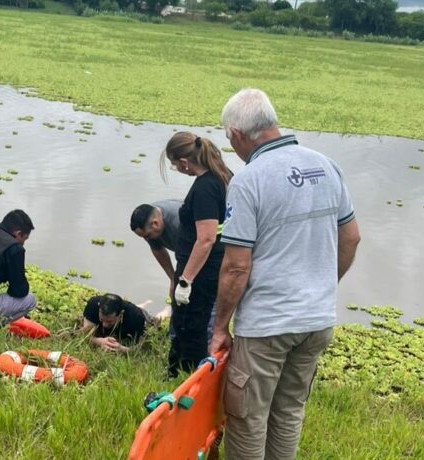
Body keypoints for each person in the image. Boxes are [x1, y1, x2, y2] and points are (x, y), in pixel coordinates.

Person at [210, 88, 361, 460]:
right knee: (289, 411)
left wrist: (219, 327)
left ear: (236, 134)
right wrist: (321, 287)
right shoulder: (326, 165)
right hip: (317, 321)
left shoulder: (250, 180)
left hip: (267, 326)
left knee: (247, 417)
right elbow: (352, 237)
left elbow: (235, 266)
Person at [162, 131, 233, 378]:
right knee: (196, 322)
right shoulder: (223, 177)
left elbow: (206, 238)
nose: (176, 168)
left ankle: (186, 377)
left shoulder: (205, 187)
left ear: (184, 162)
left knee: (192, 325)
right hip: (214, 265)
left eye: (174, 164)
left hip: (201, 272)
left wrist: (185, 281)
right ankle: (185, 374)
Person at [130, 200, 182, 295]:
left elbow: (198, 249)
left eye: (148, 235)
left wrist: (184, 283)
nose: (147, 239)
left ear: (156, 224)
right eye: (144, 237)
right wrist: (173, 279)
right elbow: (158, 250)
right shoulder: (148, 219)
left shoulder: (179, 221)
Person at [80, 293, 152, 352]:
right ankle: (145, 303)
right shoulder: (93, 305)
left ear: (120, 314)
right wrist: (99, 341)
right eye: (102, 319)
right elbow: (83, 334)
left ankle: (162, 310)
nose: (104, 325)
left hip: (142, 315)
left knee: (157, 319)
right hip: (127, 308)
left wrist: (122, 349)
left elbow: (140, 348)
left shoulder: (136, 318)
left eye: (109, 321)